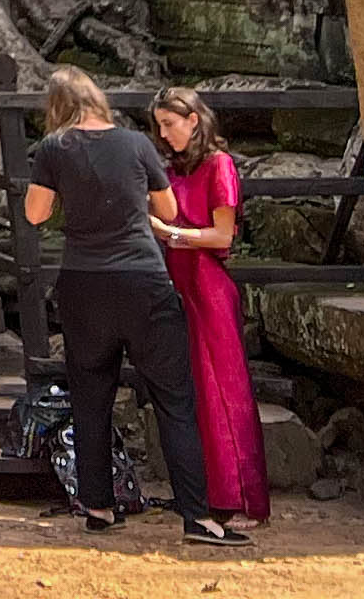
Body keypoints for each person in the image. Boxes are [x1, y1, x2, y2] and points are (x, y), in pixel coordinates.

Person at [25, 67, 234, 543]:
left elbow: (35, 214)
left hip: (83, 283)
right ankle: (197, 516)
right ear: (98, 99)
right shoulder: (138, 144)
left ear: (55, 107)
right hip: (143, 281)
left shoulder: (54, 148)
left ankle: (98, 506)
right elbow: (168, 212)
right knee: (174, 400)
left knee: (90, 399)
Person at [146, 84, 268, 524]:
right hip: (179, 284)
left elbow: (222, 235)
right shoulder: (173, 169)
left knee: (222, 391)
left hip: (209, 288)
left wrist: (170, 234)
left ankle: (233, 495)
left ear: (193, 120)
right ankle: (205, 493)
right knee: (193, 394)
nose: (164, 135)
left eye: (170, 125)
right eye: (159, 126)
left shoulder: (220, 165)